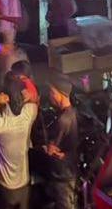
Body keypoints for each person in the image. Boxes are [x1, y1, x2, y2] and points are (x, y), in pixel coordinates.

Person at [0, 72, 37, 209]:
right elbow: (34, 98)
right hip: (23, 182)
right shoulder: (29, 113)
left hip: (5, 186)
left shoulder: (4, 125)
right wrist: (26, 85)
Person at [39, 74, 80, 209]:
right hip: (70, 170)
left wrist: (44, 148)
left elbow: (51, 150)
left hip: (63, 175)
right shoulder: (72, 113)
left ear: (61, 94)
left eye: (52, 92)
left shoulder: (63, 120)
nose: (50, 95)